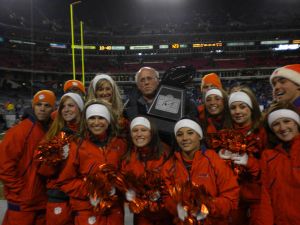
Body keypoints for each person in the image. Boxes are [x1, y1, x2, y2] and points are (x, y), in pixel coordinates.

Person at [58, 99, 127, 225]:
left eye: (101, 118)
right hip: (88, 211)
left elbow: (127, 173)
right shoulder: (77, 145)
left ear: (108, 120)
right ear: (86, 121)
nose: (96, 123)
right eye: (92, 118)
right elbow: (65, 181)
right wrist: (91, 189)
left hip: (114, 211)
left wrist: (118, 184)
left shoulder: (120, 144)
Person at [161, 118, 239, 225]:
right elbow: (165, 196)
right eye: (179, 134)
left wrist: (208, 206)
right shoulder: (169, 166)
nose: (184, 138)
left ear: (199, 136)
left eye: (190, 133)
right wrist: (176, 208)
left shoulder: (214, 160)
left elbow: (231, 197)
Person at [0, 90, 56, 225]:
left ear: (53, 109)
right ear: (33, 106)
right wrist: (21, 191)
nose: (42, 108)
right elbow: (4, 166)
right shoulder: (18, 131)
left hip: (41, 201)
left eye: (47, 105)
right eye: (39, 104)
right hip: (22, 203)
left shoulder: (51, 131)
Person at [219, 88, 267, 225]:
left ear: (251, 108)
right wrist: (219, 159)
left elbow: (271, 168)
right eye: (233, 108)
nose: (237, 111)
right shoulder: (224, 134)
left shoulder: (263, 132)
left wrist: (250, 162)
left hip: (258, 196)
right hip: (234, 196)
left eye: (242, 107)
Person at [37, 93, 84, 225]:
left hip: (82, 196)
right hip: (58, 197)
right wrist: (54, 157)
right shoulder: (53, 135)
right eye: (63, 106)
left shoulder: (88, 134)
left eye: (71, 105)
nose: (66, 109)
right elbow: (43, 172)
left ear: (80, 109)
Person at [125, 67, 198, 145]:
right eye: (142, 80)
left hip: (173, 148)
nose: (146, 82)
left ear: (157, 81)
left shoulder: (181, 100)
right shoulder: (129, 107)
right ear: (138, 86)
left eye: (149, 78)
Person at [121, 116, 173, 225]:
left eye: (144, 130)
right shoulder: (127, 159)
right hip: (142, 217)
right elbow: (126, 188)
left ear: (152, 133)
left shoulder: (165, 153)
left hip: (166, 216)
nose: (139, 134)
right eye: (135, 130)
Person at [258, 103, 300, 225]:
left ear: (296, 123)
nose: (282, 128)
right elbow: (266, 196)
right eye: (276, 124)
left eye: (287, 121)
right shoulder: (268, 156)